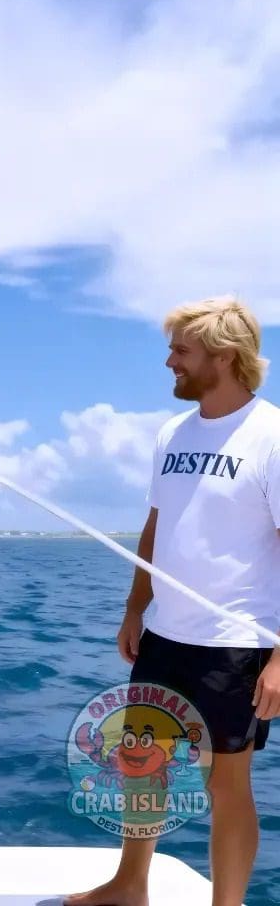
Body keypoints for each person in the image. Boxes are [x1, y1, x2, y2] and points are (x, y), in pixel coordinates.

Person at [66, 296, 280, 906]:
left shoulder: (272, 436)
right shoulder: (172, 434)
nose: (169, 363)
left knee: (225, 783)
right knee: (143, 763)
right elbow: (157, 528)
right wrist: (136, 608)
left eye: (181, 351)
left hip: (235, 643)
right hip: (165, 634)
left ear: (225, 355)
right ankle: (131, 885)